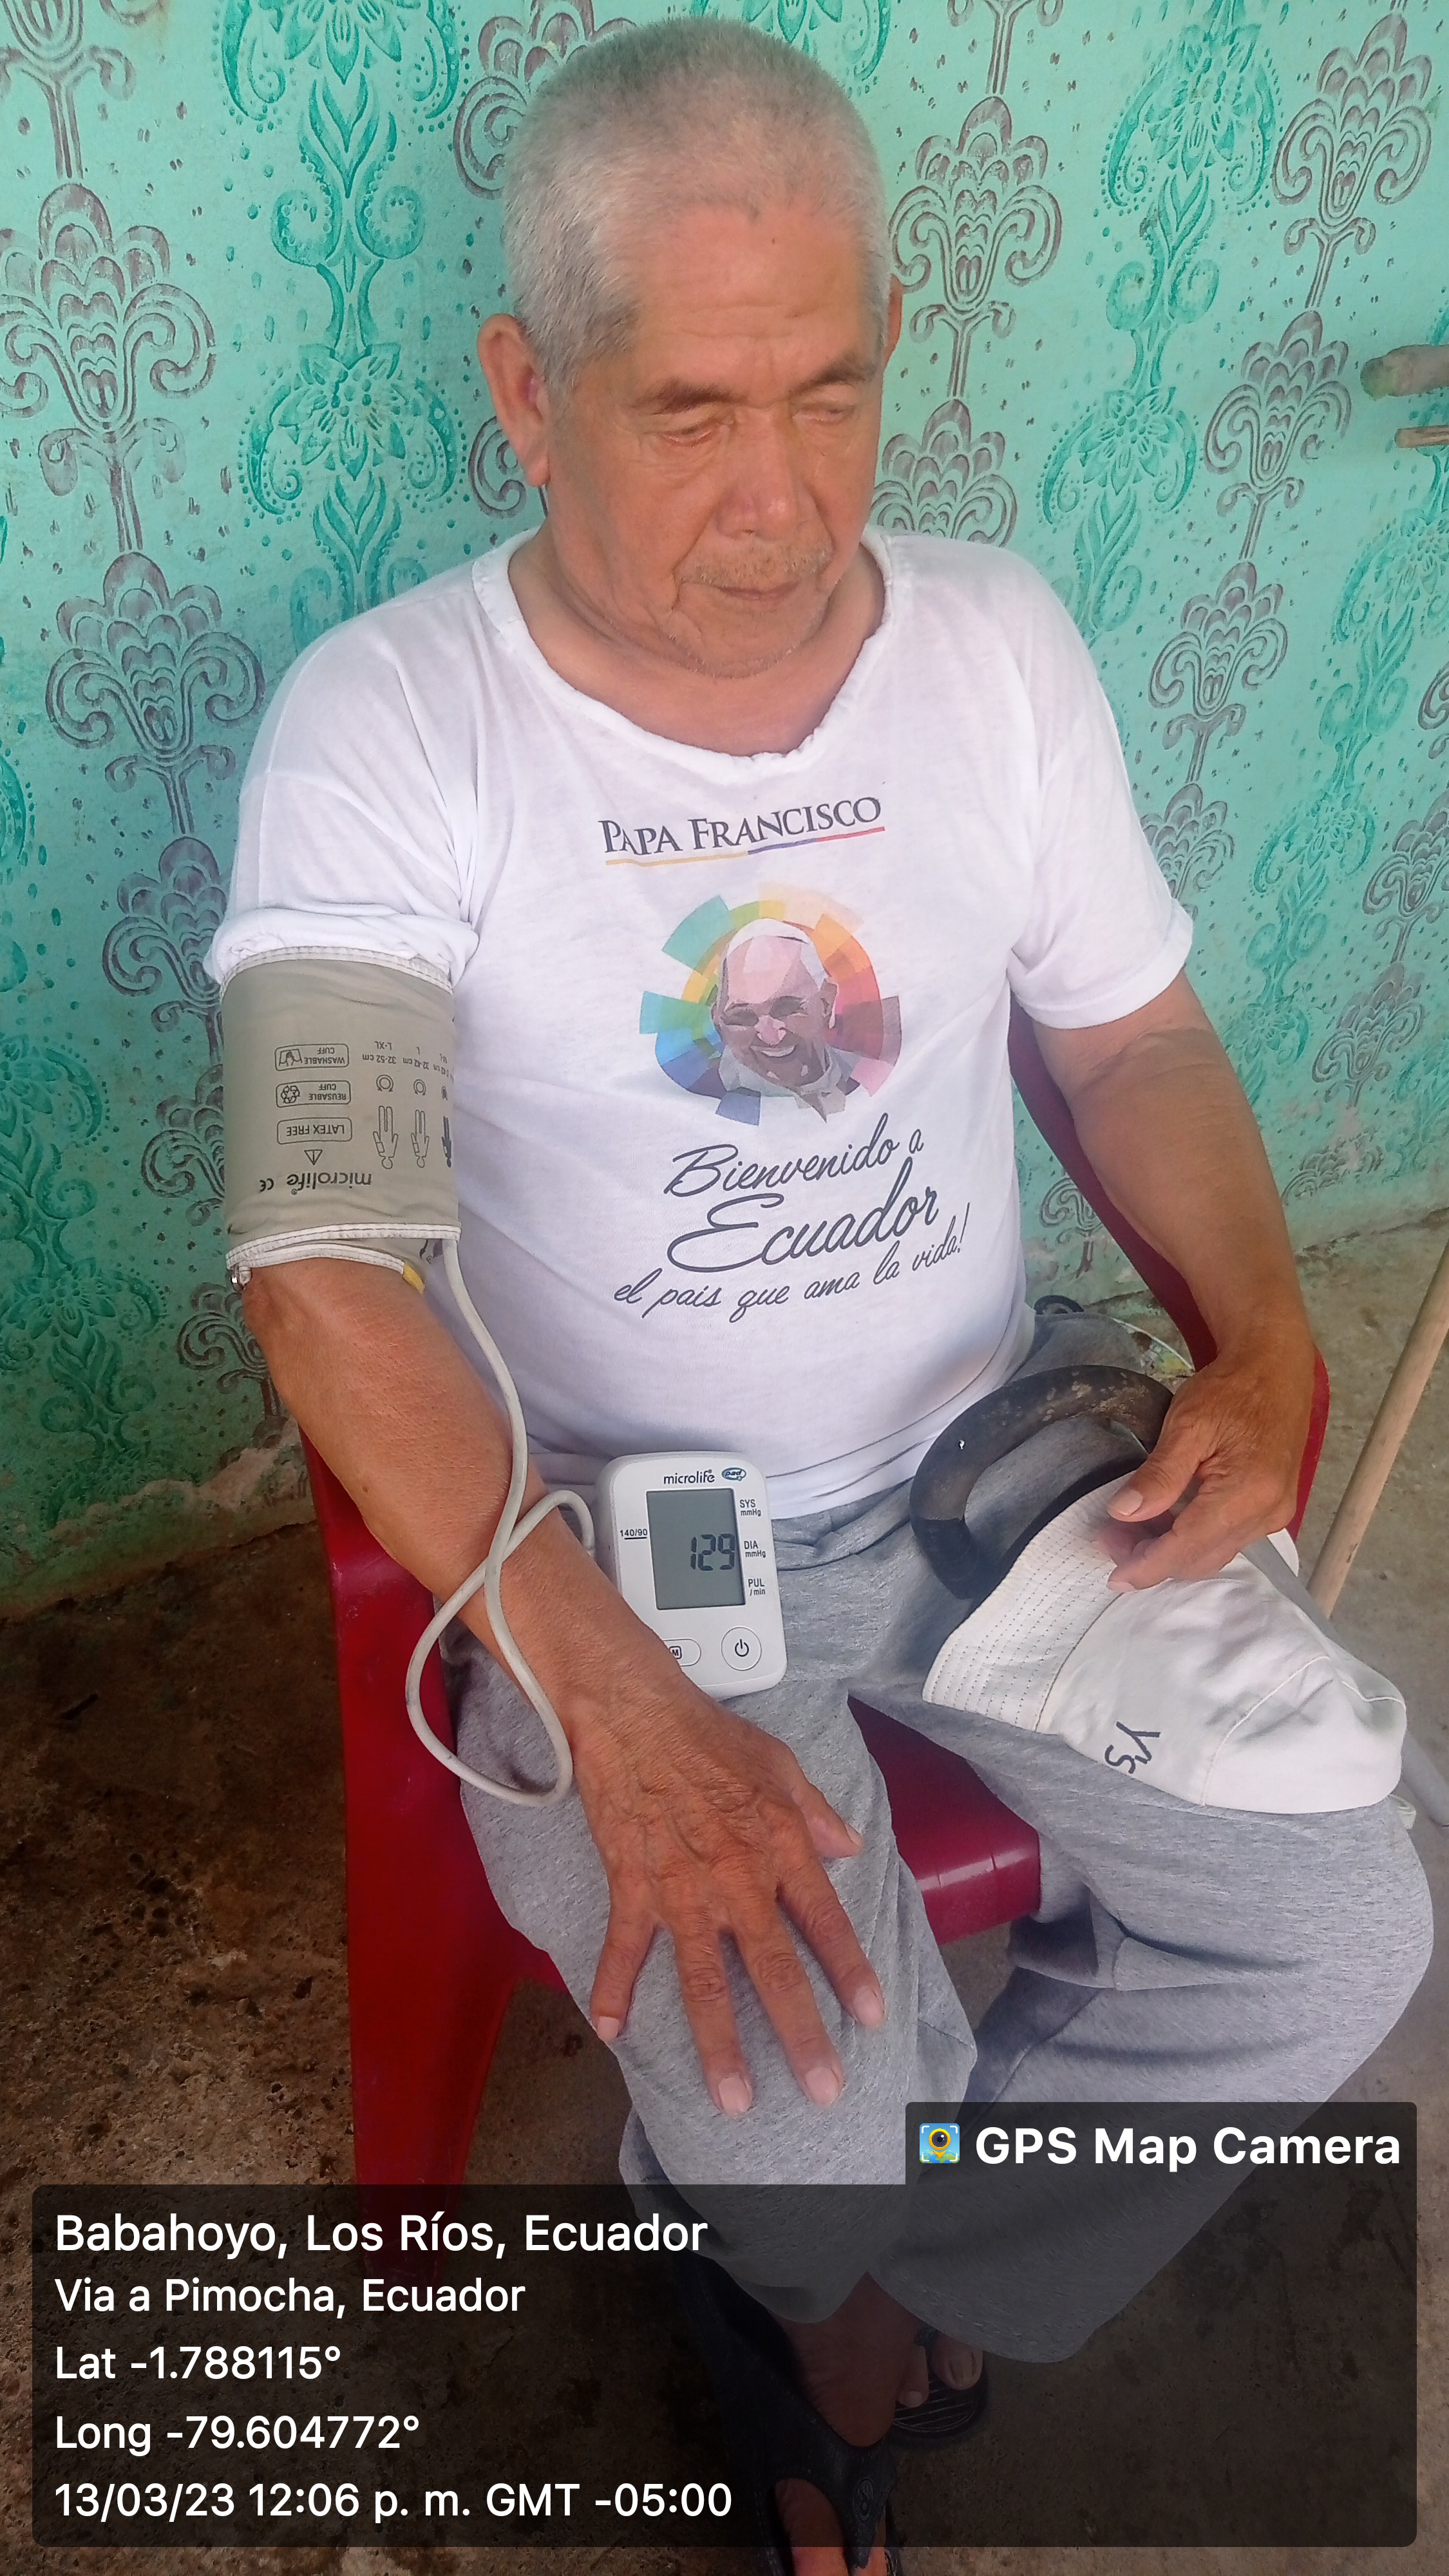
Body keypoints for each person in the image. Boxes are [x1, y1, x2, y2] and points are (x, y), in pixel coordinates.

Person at [214, 23, 1432, 2571]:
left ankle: (847, 2287)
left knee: (1339, 1927)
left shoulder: (992, 648)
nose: (775, 502)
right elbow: (324, 1277)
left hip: (994, 1463)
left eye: (830, 395)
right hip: (628, 1536)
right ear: (527, 393)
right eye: (688, 414)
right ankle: (807, 2260)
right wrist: (614, 1703)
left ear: (892, 341)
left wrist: (1261, 1335)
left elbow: (1133, 1038)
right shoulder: (391, 726)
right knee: (792, 2085)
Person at [712, 922, 860, 1115]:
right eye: (742, 1017)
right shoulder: (701, 1101)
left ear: (826, 1003)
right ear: (718, 1022)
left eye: (786, 1008)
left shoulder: (865, 1073)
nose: (771, 1037)